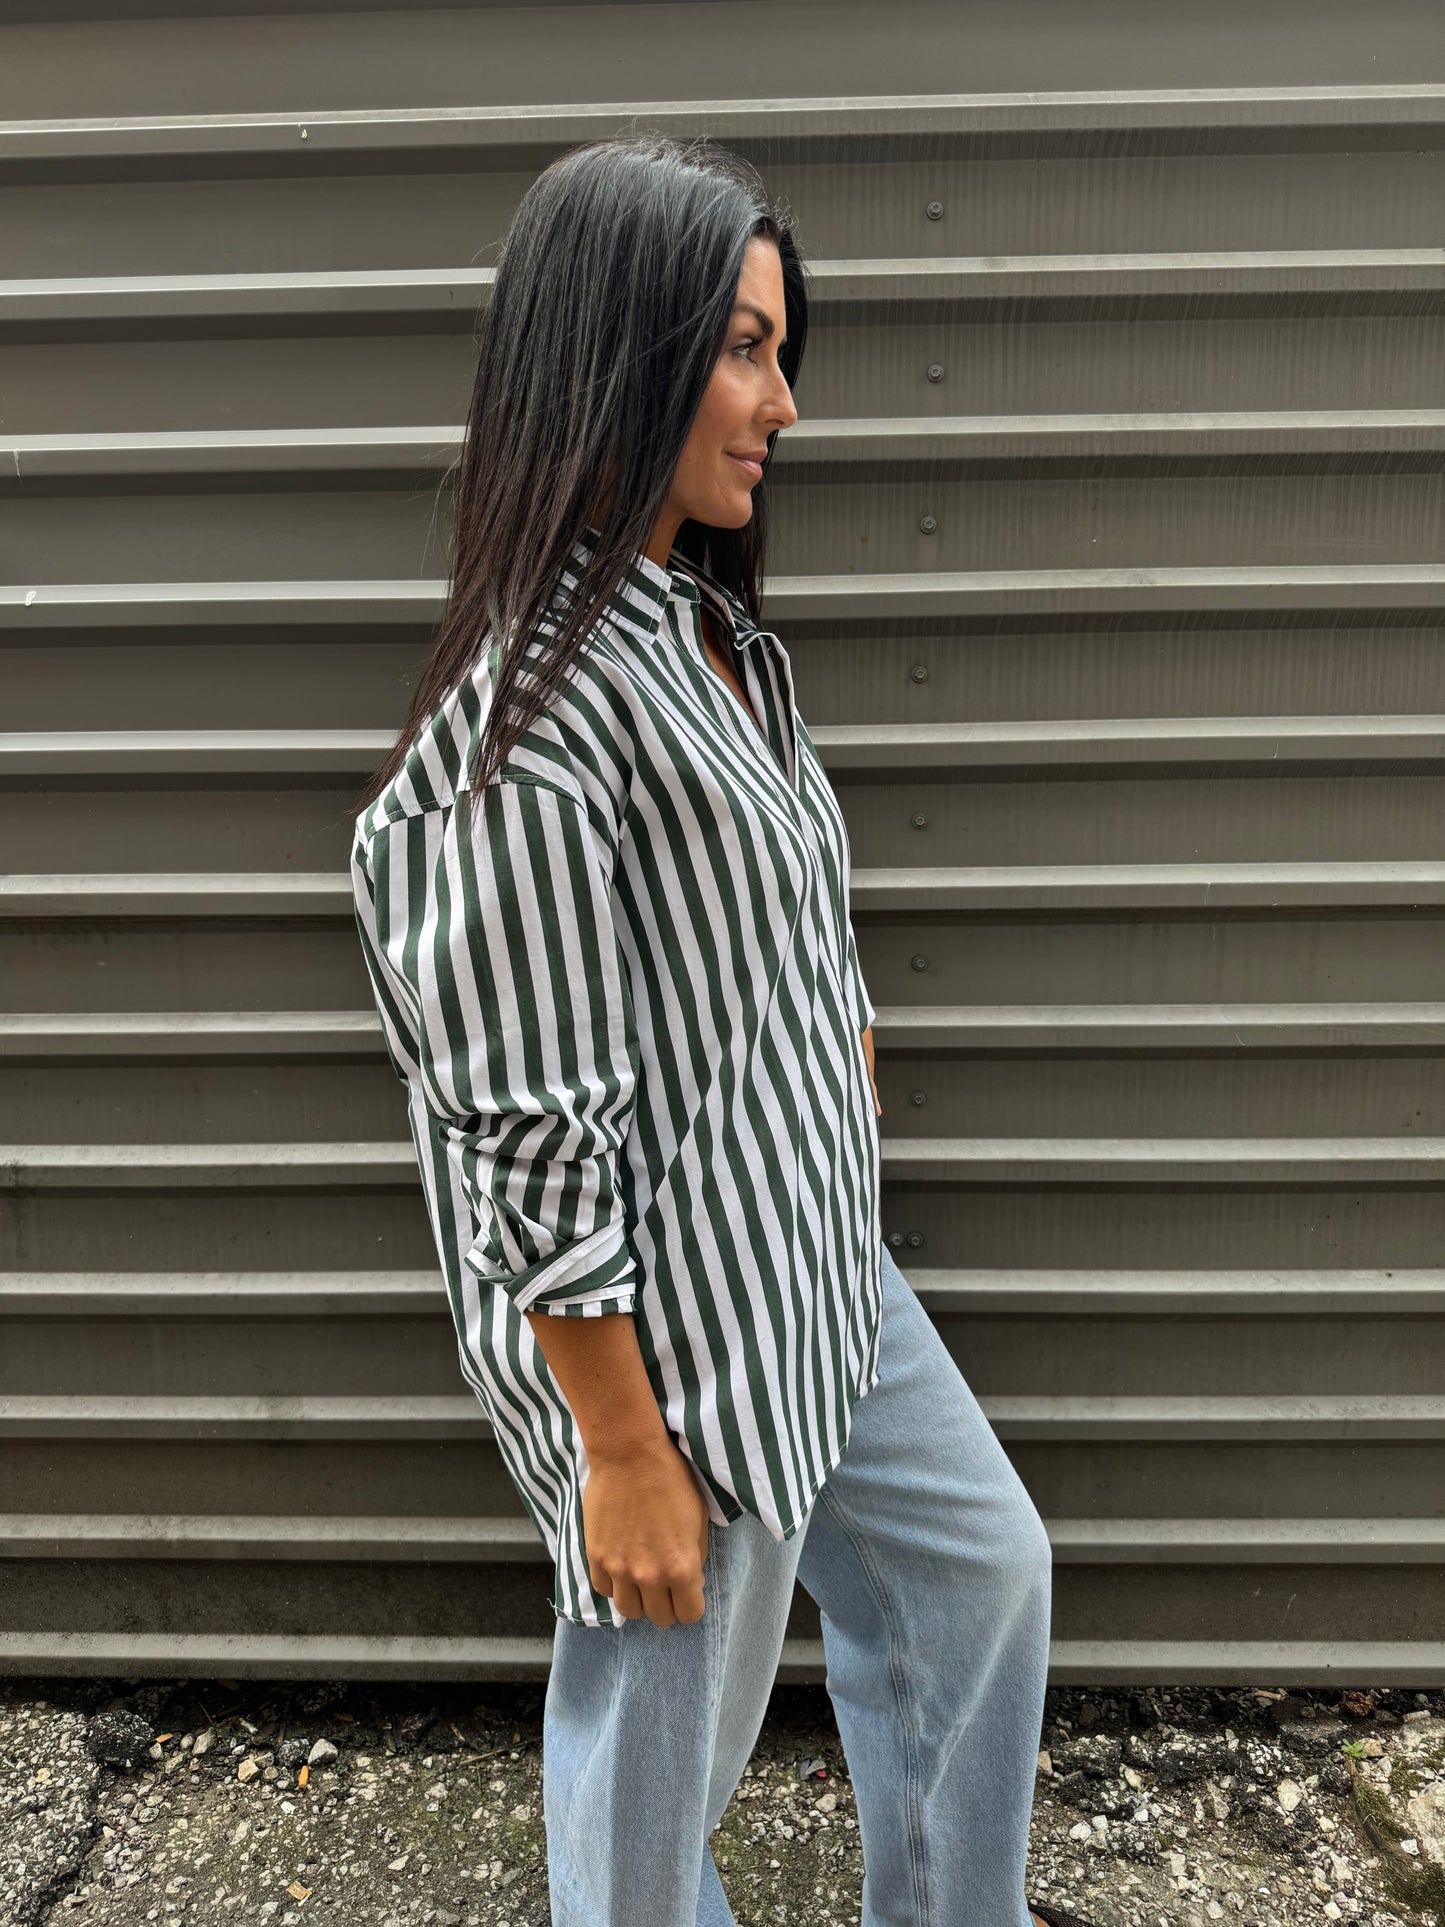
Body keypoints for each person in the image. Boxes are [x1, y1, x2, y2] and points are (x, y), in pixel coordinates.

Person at [350, 133, 1094, 1927]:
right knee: (650, 1788)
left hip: (816, 1265)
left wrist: (829, 1047)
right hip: (673, 1355)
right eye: (745, 348)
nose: (781, 401)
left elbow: (765, 907)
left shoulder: (698, 636)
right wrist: (620, 1449)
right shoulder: (527, 716)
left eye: (783, 351)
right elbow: (522, 1117)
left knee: (981, 1574)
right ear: (622, 353)